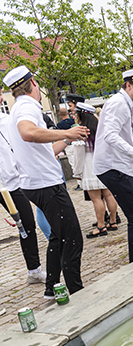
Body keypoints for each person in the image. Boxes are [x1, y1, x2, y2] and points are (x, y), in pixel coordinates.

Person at [3, 65, 88, 298]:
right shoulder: (27, 105)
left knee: (58, 236)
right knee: (72, 238)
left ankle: (51, 289)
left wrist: (72, 136)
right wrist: (66, 133)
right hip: (45, 184)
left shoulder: (18, 107)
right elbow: (28, 132)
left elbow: (45, 152)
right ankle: (78, 293)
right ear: (32, 84)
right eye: (37, 84)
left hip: (35, 183)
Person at [94, 68, 133, 263]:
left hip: (120, 166)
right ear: (129, 85)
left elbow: (128, 133)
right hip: (113, 167)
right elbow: (110, 135)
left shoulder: (126, 103)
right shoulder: (119, 104)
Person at [0, 90, 46, 284]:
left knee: (26, 224)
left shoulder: (8, 120)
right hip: (4, 182)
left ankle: (33, 269)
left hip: (11, 183)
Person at [73, 102, 120, 238]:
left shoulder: (81, 131)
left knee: (96, 199)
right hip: (104, 164)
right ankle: (112, 221)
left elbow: (78, 156)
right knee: (109, 195)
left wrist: (77, 173)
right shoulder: (101, 129)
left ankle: (100, 225)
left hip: (89, 166)